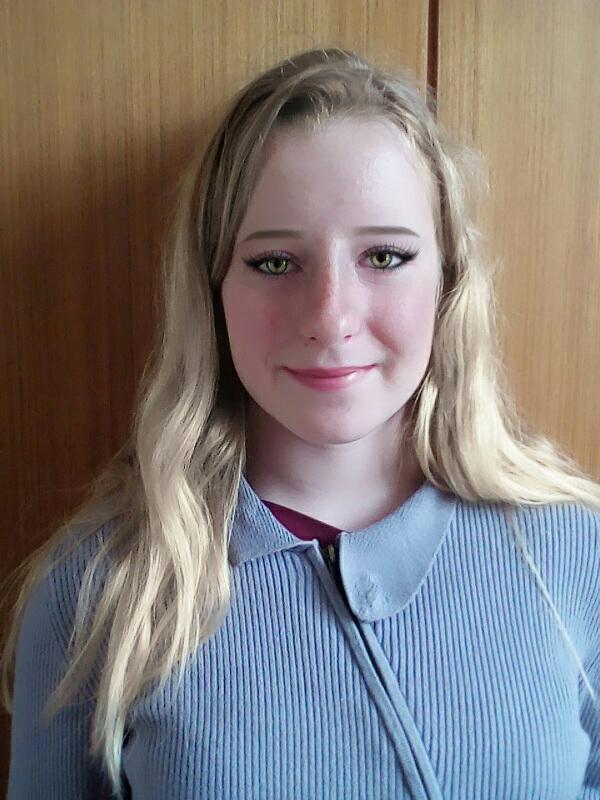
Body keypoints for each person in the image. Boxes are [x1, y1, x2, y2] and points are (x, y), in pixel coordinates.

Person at [2, 47, 599, 800]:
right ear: (212, 289)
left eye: (385, 256)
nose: (331, 317)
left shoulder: (572, 555)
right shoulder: (100, 595)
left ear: (448, 281)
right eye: (276, 263)